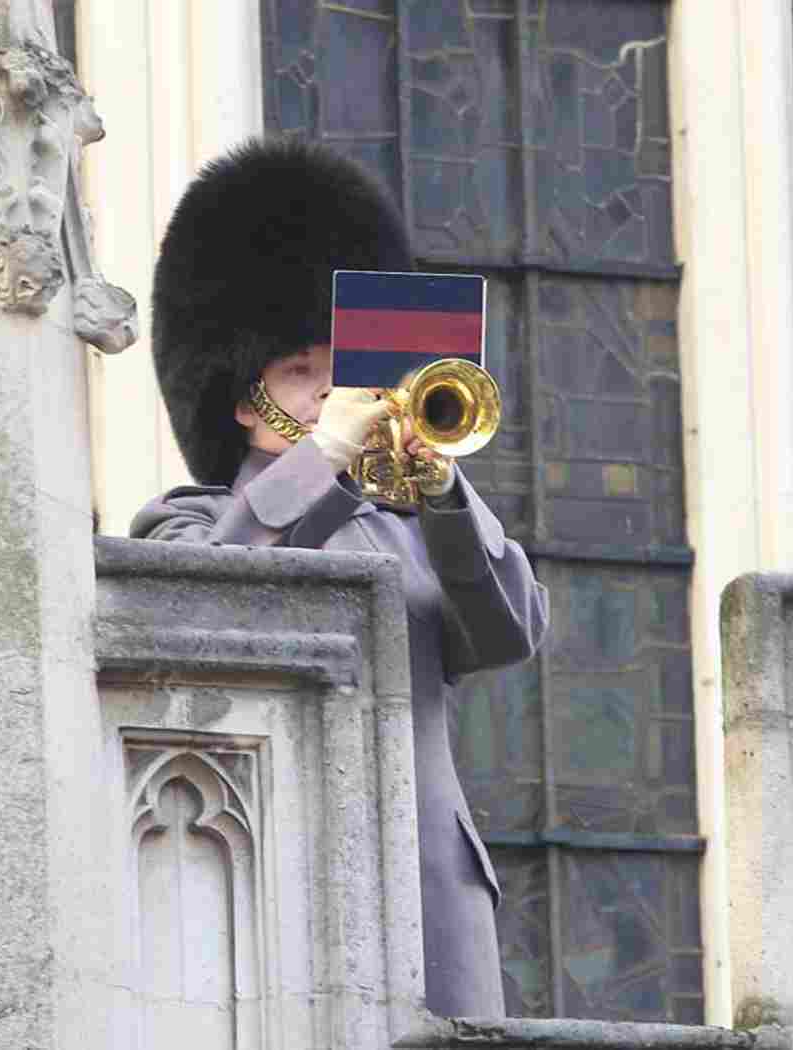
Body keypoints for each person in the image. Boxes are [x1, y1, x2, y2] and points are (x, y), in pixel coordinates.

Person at [130, 137, 548, 1018]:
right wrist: (324, 456)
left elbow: (510, 629)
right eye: (300, 372)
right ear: (243, 401)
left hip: (429, 888)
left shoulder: (415, 529)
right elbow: (210, 600)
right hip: (257, 866)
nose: (332, 392)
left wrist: (444, 489)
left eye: (343, 370)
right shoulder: (186, 521)